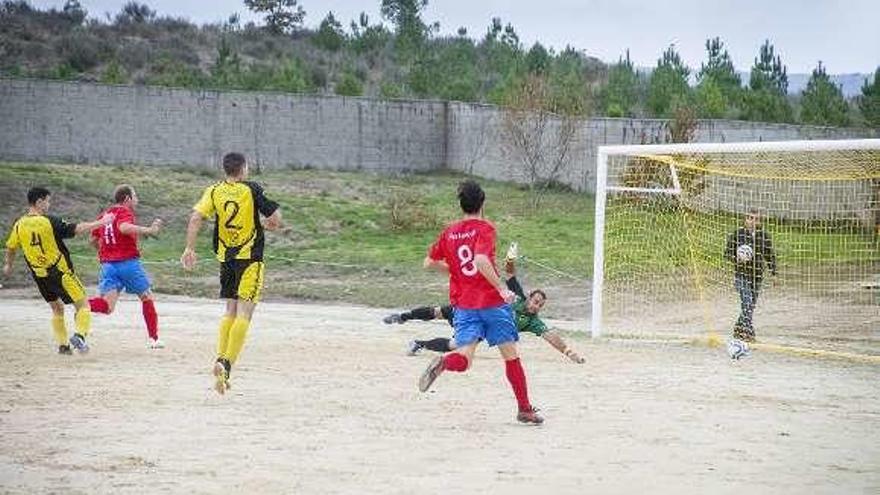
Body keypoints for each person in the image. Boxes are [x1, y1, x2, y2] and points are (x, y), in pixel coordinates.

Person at [418, 180, 543, 424]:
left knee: (464, 359)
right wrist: (502, 288)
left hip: (464, 305)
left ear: (461, 205)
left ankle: (444, 362)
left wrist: (454, 270)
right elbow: (481, 260)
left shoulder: (450, 232)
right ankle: (525, 409)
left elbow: (428, 263)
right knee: (510, 356)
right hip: (492, 303)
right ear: (482, 203)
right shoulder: (485, 228)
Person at [181, 152, 281, 395]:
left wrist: (189, 248)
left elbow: (195, 218)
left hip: (226, 258)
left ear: (225, 170)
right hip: (250, 258)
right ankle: (226, 363)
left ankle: (221, 358)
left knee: (230, 310)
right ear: (244, 169)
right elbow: (276, 219)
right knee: (246, 313)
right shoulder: (252, 189)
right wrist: (268, 224)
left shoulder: (214, 191)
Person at [385, 250, 585, 364]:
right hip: (474, 308)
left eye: (540, 305)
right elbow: (509, 272)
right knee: (438, 311)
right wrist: (511, 257)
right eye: (535, 301)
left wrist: (568, 352)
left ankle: (419, 343)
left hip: (480, 329)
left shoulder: (533, 322)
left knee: (457, 345)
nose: (536, 306)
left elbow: (551, 337)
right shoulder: (517, 296)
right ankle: (403, 316)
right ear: (529, 298)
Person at [3, 187, 114, 354]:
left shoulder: (19, 224)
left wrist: (8, 265)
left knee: (57, 308)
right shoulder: (48, 221)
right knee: (83, 304)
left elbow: (11, 247)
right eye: (47, 201)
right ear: (39, 202)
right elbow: (76, 229)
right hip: (60, 272)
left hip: (39, 275)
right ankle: (80, 336)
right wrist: (101, 222)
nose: (49, 204)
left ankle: (63, 346)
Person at [87, 185, 165, 348]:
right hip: (128, 264)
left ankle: (82, 305)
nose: (137, 200)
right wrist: (149, 230)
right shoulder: (124, 212)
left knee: (107, 307)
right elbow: (123, 227)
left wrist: (104, 251)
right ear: (127, 199)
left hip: (108, 266)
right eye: (135, 196)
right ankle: (154, 339)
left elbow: (93, 240)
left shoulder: (105, 215)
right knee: (146, 297)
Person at [725, 209, 777, 342]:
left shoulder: (763, 236)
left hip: (757, 276)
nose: (752, 221)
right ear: (745, 219)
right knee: (747, 302)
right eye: (749, 218)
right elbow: (727, 253)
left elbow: (770, 256)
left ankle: (738, 327)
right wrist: (736, 258)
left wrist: (774, 273)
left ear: (759, 221)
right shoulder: (738, 235)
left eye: (755, 218)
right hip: (741, 275)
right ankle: (748, 331)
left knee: (750, 306)